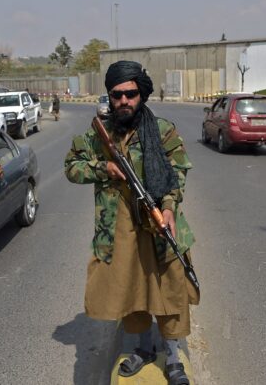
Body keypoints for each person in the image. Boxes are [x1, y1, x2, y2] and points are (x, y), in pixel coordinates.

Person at [64, 60, 198, 385]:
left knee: (169, 292)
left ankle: (174, 356)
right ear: (109, 97)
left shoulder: (162, 130)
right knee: (133, 293)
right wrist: (103, 169)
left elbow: (177, 171)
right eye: (117, 95)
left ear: (141, 94)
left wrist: (168, 207)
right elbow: (72, 166)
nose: (124, 101)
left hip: (158, 227)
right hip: (120, 230)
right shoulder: (101, 134)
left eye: (131, 93)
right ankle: (143, 348)